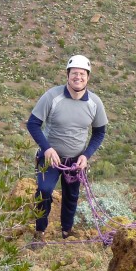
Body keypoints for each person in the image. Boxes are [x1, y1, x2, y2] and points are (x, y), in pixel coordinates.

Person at [25, 54, 108, 247]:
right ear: (67, 75)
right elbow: (33, 124)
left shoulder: (94, 103)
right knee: (44, 190)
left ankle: (66, 230)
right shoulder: (52, 96)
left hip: (75, 160)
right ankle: (40, 232)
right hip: (51, 157)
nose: (78, 77)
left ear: (88, 77)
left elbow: (99, 132)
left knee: (72, 195)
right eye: (74, 73)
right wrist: (46, 149)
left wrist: (86, 156)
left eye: (82, 74)